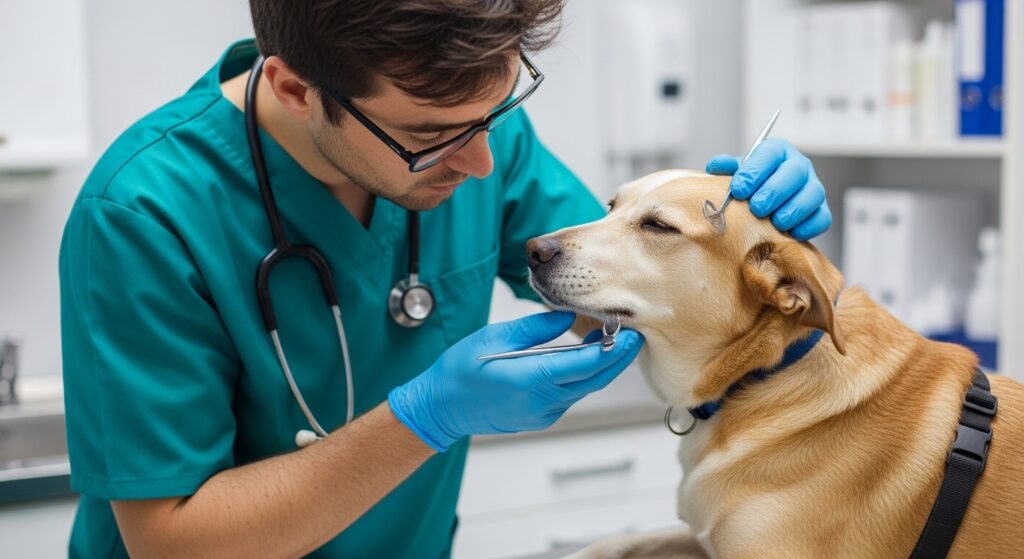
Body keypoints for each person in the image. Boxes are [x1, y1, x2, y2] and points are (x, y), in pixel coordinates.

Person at [58, 1, 832, 557]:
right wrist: (426, 415)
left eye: (494, 115)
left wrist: (756, 240)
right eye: (431, 138)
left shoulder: (466, 125)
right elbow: (171, 540)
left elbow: (610, 289)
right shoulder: (140, 213)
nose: (481, 163)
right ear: (296, 89)